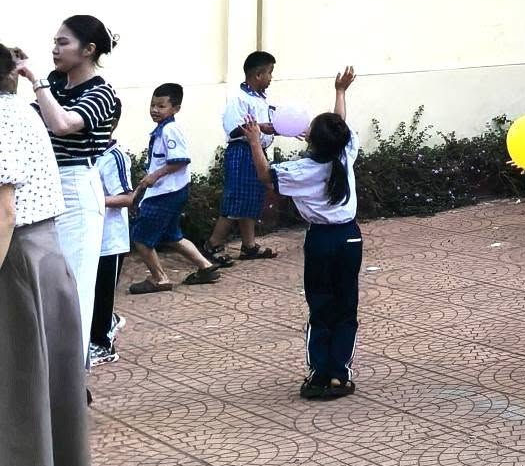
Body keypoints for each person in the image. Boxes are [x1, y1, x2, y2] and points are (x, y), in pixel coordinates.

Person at [0, 41, 94, 466]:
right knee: (17, 416)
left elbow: (2, 214)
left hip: (14, 266)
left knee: (11, 419)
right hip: (36, 260)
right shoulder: (21, 109)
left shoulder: (3, 117)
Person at [241, 69, 361, 400]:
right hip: (350, 237)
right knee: (346, 306)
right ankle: (339, 374)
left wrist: (255, 141)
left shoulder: (302, 171)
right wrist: (340, 92)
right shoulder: (345, 153)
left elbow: (265, 175)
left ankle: (319, 374)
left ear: (313, 141)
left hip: (321, 240)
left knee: (321, 305)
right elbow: (339, 125)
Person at [18, 17, 122, 360]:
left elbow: (62, 124)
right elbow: (33, 123)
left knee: (74, 285)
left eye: (63, 42)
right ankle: (49, 372)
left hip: (77, 185)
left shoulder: (101, 92)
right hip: (46, 184)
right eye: (55, 42)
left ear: (88, 49)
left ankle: (73, 375)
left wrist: (36, 81)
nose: (55, 49)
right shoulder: (56, 85)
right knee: (45, 283)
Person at [127, 84, 221, 293]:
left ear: (175, 109)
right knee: (172, 236)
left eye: (161, 106)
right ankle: (206, 267)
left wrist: (154, 176)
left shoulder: (170, 130)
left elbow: (180, 160)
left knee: (141, 238)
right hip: (172, 191)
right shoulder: (162, 130)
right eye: (152, 105)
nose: (155, 110)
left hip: (165, 193)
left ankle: (159, 278)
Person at [208, 50, 278, 264]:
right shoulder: (239, 99)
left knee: (252, 197)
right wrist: (259, 128)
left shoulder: (260, 99)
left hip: (257, 151)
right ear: (258, 74)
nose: (271, 78)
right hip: (242, 152)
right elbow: (233, 128)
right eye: (269, 73)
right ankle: (213, 244)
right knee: (236, 198)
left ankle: (248, 245)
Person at [88, 137, 136, 364]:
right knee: (91, 293)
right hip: (90, 237)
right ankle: (109, 321)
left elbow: (127, 197)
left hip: (110, 240)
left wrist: (94, 200)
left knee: (103, 294)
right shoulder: (86, 154)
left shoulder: (114, 156)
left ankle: (103, 346)